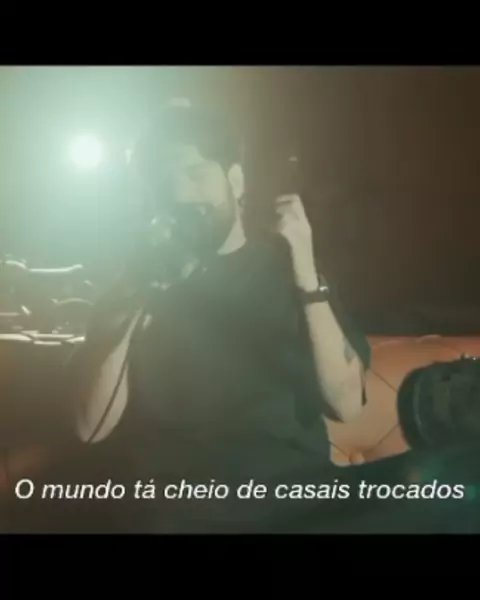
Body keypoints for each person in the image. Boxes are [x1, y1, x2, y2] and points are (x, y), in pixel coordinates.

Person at [41, 99, 368, 534]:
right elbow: (90, 427)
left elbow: (347, 405)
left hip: (295, 505)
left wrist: (306, 271)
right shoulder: (131, 287)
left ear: (236, 180)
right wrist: (136, 289)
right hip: (178, 511)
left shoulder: (291, 275)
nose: (180, 194)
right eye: (164, 182)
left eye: (196, 174)